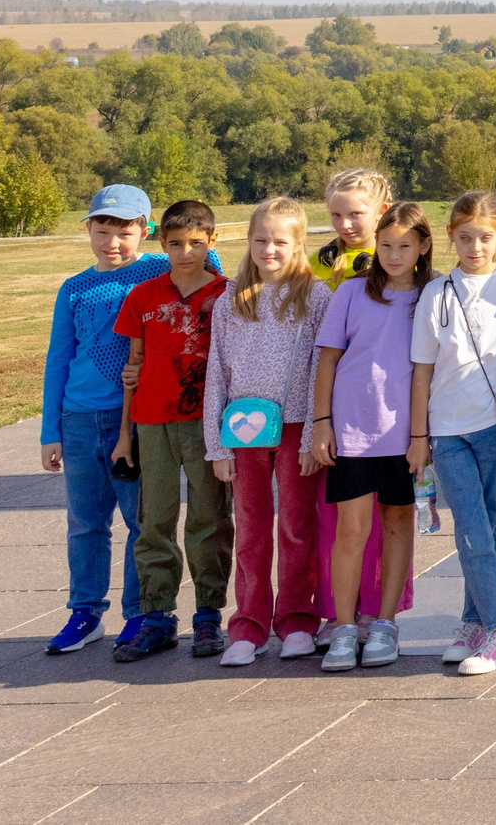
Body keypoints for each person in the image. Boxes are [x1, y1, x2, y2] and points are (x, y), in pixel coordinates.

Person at [409, 191, 496, 675]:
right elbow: (421, 370)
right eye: (465, 238)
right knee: (469, 532)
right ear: (451, 237)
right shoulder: (435, 293)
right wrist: (417, 436)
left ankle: (475, 622)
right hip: (446, 431)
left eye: (485, 237)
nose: (475, 247)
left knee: (493, 533)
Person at [41, 184, 173, 656]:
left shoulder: (159, 270)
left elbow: (210, 269)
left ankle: (141, 614)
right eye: (102, 230)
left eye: (124, 230)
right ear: (90, 230)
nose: (112, 241)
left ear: (146, 230)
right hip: (77, 419)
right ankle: (85, 612)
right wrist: (49, 431)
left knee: (143, 519)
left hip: (133, 419)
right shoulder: (73, 288)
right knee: (84, 521)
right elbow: (58, 359)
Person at [203, 195, 328, 665]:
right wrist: (217, 445)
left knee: (297, 525)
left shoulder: (317, 296)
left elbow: (322, 365)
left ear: (298, 244)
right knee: (252, 527)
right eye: (260, 240)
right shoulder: (231, 297)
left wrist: (317, 430)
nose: (268, 249)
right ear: (248, 241)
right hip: (243, 431)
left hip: (296, 426)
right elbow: (217, 370)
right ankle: (248, 626)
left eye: (280, 241)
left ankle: (297, 620)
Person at [311, 198, 433, 671]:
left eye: (404, 246)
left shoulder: (434, 294)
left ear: (423, 246)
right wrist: (322, 424)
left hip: (408, 437)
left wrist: (421, 438)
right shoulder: (351, 293)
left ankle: (384, 624)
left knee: (399, 525)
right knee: (352, 530)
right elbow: (327, 360)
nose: (394, 255)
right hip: (354, 432)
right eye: (385, 245)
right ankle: (344, 626)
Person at [109, 198, 232, 661]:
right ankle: (156, 615)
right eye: (176, 243)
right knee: (154, 521)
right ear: (161, 243)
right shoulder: (143, 296)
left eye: (196, 243)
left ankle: (208, 616)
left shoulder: (227, 294)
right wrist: (125, 435)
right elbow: (133, 367)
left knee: (209, 518)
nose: (185, 252)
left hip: (207, 422)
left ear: (212, 241)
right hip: (151, 422)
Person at [309, 166, 410, 630]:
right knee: (340, 524)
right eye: (336, 215)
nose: (346, 224)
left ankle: (379, 610)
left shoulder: (397, 262)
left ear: (382, 212)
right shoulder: (322, 262)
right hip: (343, 411)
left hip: (395, 415)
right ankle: (339, 613)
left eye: (356, 214)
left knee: (390, 523)